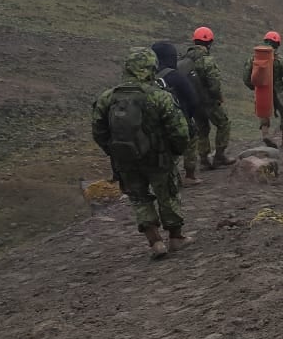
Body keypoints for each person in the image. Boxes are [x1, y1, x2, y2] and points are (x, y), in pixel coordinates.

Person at [92, 48, 192, 259]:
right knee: (168, 194)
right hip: (158, 158)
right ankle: (176, 238)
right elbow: (180, 130)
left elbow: (98, 131)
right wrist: (176, 151)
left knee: (138, 198)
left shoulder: (107, 98)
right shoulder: (159, 97)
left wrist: (113, 152)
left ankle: (155, 241)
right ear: (151, 68)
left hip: (125, 159)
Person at [182, 26, 235, 169]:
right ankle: (219, 156)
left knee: (202, 129)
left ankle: (204, 159)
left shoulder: (184, 60)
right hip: (208, 102)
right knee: (224, 123)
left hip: (193, 103)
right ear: (209, 42)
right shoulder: (207, 60)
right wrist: (217, 97)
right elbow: (214, 84)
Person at [151, 41, 201, 185]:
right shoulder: (176, 76)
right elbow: (192, 99)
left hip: (152, 124)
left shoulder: (147, 76)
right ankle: (190, 175)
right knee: (192, 138)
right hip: (177, 121)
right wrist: (188, 117)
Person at [245, 31, 283, 147]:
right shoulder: (279, 60)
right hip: (278, 91)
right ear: (277, 44)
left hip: (262, 89)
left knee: (264, 112)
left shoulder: (254, 58)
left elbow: (246, 76)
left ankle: (265, 135)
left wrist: (254, 87)